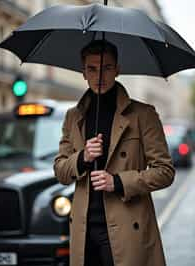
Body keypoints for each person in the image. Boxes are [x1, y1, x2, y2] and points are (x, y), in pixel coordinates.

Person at [54, 40, 175, 266]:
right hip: (84, 231)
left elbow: (165, 171)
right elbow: (60, 171)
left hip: (127, 230)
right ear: (83, 72)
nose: (99, 76)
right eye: (92, 69)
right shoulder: (73, 116)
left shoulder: (143, 114)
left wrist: (117, 182)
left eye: (106, 68)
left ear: (117, 69)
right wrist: (83, 157)